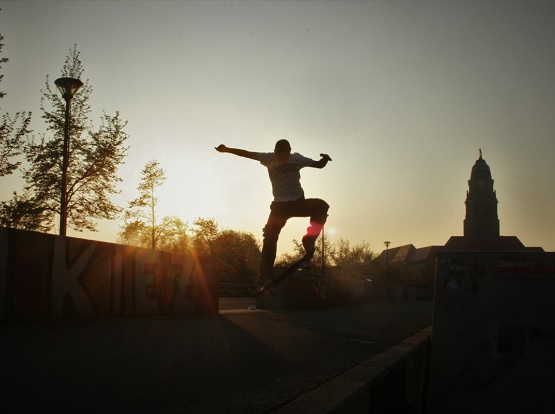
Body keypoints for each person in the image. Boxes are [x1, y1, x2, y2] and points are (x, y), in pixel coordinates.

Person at [215, 139, 331, 287]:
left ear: (289, 151)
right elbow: (247, 154)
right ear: (275, 152)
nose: (281, 158)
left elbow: (318, 165)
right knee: (270, 237)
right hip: (279, 208)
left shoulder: (297, 158)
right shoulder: (268, 158)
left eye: (284, 154)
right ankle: (265, 275)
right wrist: (227, 149)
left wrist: (325, 159)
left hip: (298, 203)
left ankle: (309, 238)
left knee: (322, 206)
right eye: (279, 154)